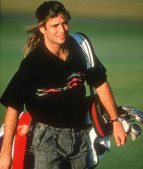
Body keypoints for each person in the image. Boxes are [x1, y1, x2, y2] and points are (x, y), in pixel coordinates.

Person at [0, 1, 127, 169]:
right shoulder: (32, 64)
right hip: (46, 139)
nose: (62, 30)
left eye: (65, 23)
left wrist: (116, 120)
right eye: (55, 26)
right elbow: (13, 106)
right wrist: (5, 152)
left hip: (80, 135)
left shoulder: (81, 47)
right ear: (42, 28)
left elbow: (100, 83)